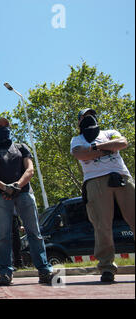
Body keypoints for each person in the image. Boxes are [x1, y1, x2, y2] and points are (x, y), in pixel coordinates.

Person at [0, 118, 53, 286]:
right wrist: (5, 187)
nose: (2, 128)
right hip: (0, 196)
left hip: (24, 193)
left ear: (10, 128)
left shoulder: (22, 148)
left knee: (34, 232)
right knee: (3, 235)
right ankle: (5, 272)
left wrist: (16, 186)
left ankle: (44, 270)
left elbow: (30, 169)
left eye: (4, 125)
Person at [71, 108, 135, 283]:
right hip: (95, 181)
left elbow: (122, 143)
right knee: (102, 226)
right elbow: (80, 154)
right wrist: (108, 149)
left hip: (122, 177)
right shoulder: (77, 139)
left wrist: (95, 148)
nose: (89, 117)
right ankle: (107, 267)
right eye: (85, 116)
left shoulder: (110, 132)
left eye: (92, 115)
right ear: (79, 121)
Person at [0, 204, 24, 269]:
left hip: (12, 234)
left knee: (16, 248)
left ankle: (18, 264)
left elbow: (15, 217)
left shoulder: (8, 213)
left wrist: (20, 225)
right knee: (2, 252)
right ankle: (6, 266)